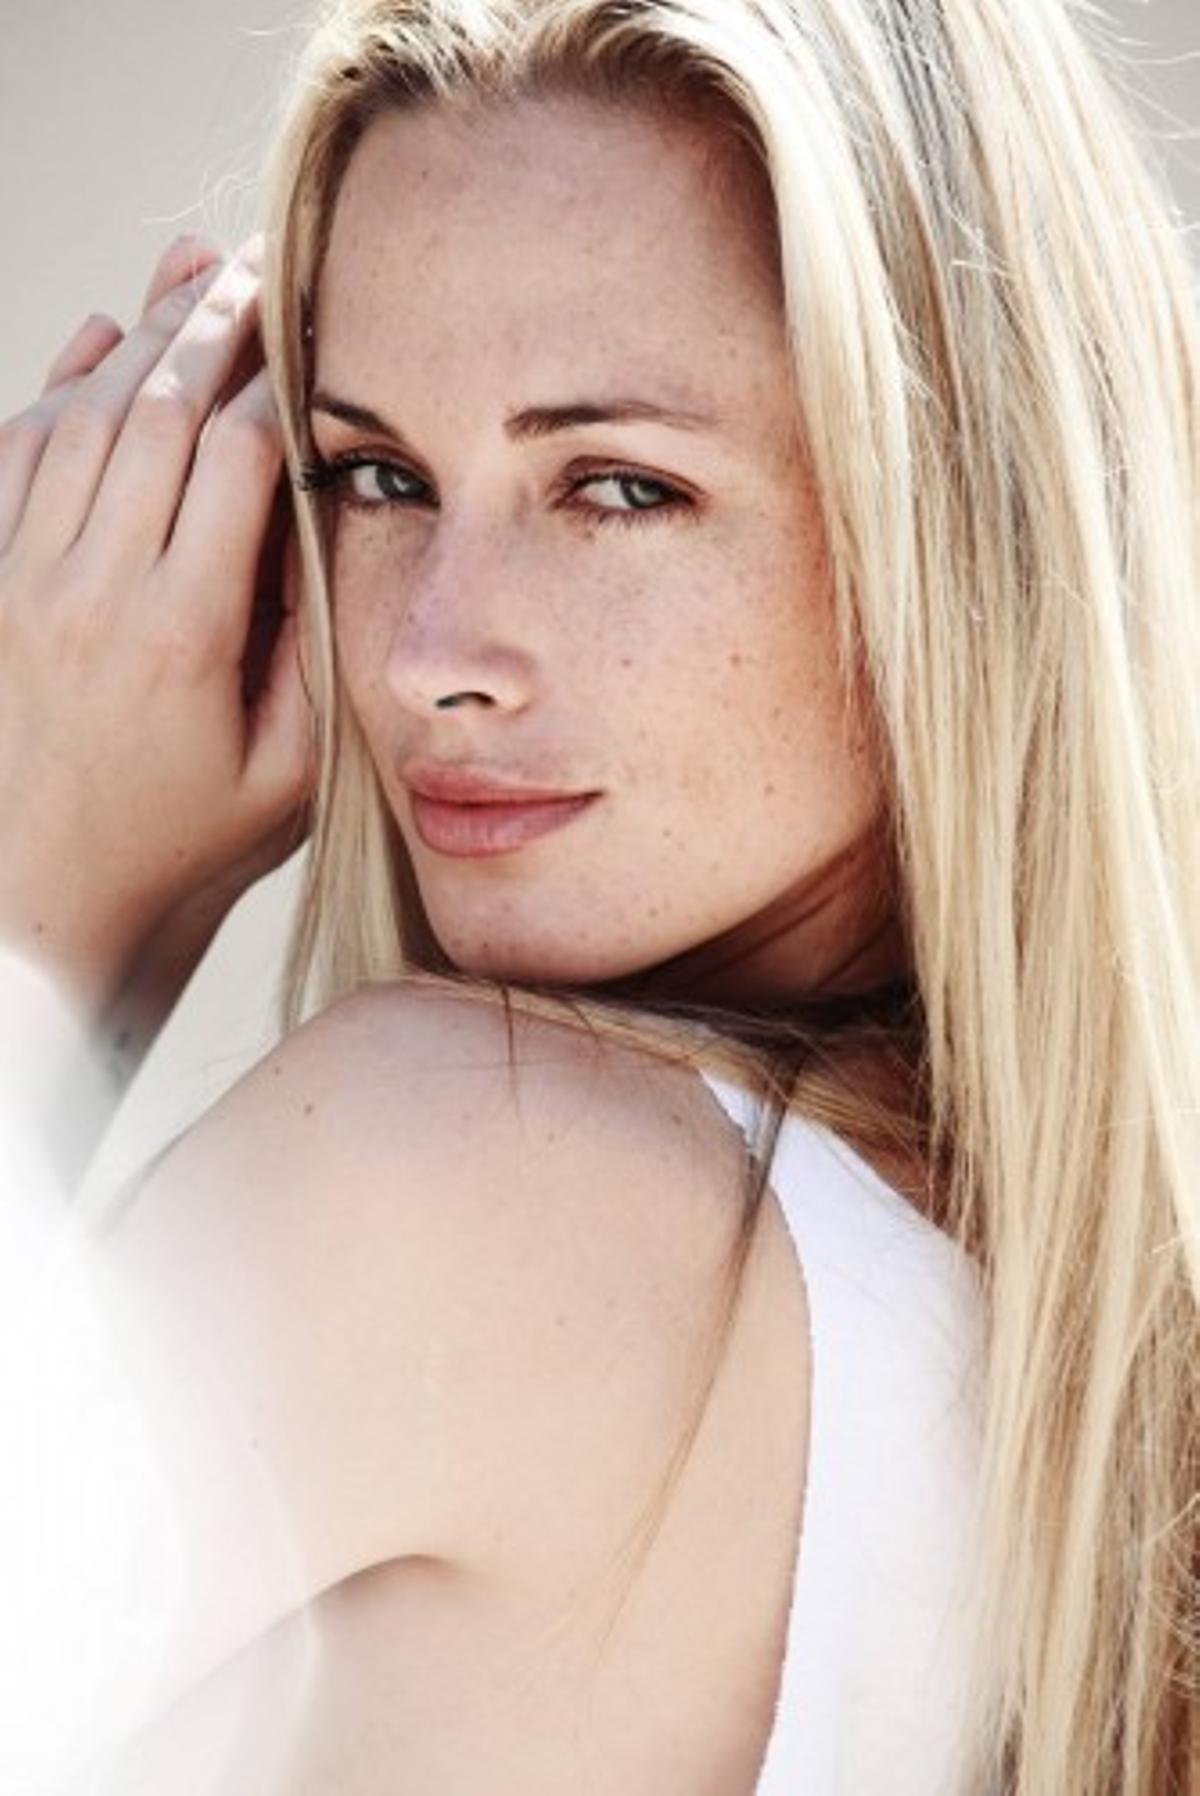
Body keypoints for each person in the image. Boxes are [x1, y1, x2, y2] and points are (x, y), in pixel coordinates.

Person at [0, 0, 1195, 1790]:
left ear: (965, 527)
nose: (430, 655)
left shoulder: (456, 1176)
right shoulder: (1064, 1363)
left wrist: (43, 904)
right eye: (378, 477)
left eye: (621, 488)